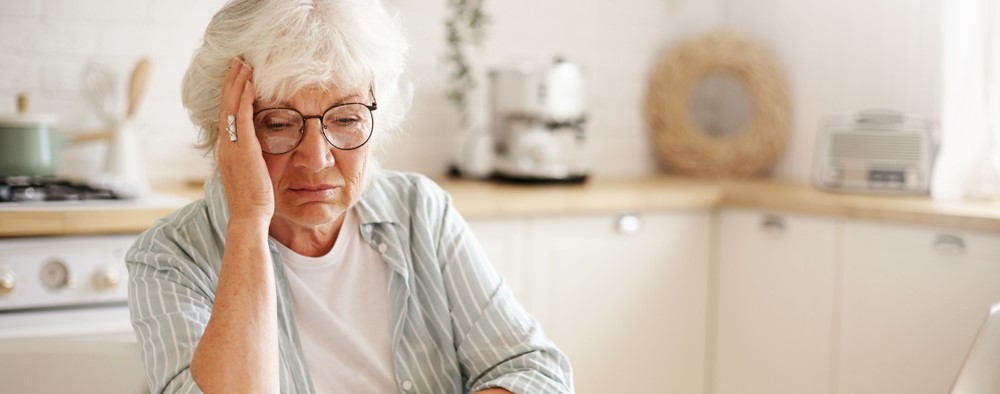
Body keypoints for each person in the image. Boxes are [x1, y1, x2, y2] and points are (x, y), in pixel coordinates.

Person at [125, 0, 573, 392]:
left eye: (345, 118)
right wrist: (248, 220)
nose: (316, 158)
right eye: (277, 123)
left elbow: (536, 373)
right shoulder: (170, 258)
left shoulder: (420, 210)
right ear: (226, 130)